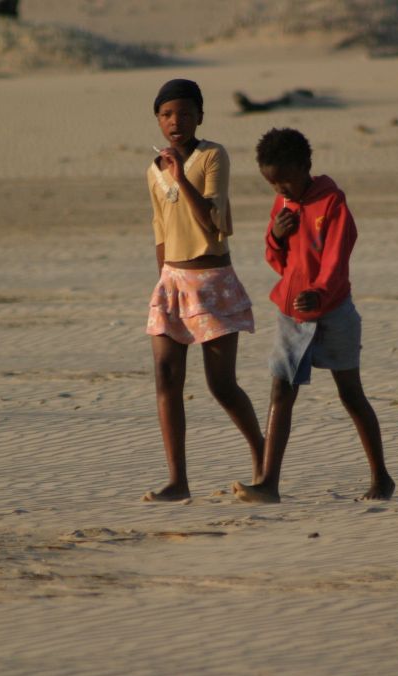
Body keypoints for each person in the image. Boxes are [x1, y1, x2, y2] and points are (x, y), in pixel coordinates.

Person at [233, 128, 395, 503]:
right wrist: (275, 234)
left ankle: (381, 478)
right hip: (292, 315)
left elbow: (338, 259)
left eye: (286, 180)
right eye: (272, 184)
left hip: (335, 312)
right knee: (281, 390)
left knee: (351, 394)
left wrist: (319, 291)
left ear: (307, 167)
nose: (281, 190)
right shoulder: (282, 205)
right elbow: (277, 261)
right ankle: (269, 484)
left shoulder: (333, 203)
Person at [143, 79, 264, 502]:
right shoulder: (152, 169)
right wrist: (162, 280)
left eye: (184, 113)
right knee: (165, 377)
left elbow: (214, 220)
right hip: (172, 284)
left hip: (212, 283)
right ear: (158, 120)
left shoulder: (213, 155)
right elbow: (161, 230)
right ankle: (178, 481)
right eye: (166, 115)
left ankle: (265, 462)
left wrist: (180, 175)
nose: (175, 122)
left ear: (199, 116)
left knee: (221, 384)